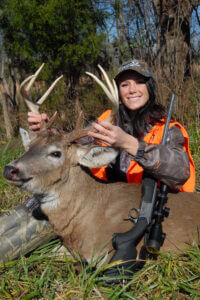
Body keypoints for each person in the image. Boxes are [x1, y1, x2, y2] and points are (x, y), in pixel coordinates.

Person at [0, 59, 195, 269]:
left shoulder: (169, 129)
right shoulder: (107, 122)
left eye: (139, 82)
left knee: (38, 225)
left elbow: (181, 171)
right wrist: (45, 130)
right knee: (28, 210)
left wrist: (129, 144)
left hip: (150, 209)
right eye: (124, 84)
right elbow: (70, 145)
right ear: (118, 91)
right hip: (103, 202)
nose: (132, 90)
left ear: (150, 87)